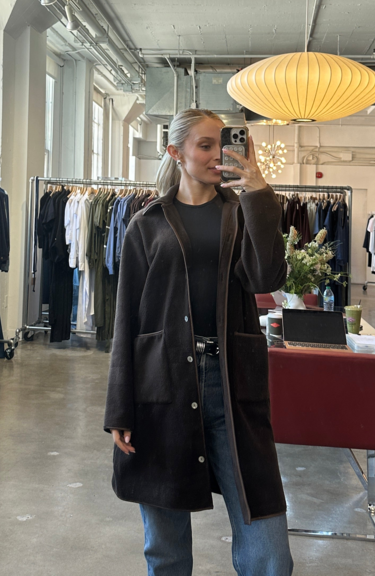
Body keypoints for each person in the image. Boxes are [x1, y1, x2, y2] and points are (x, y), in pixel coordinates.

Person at [104, 109, 293, 575]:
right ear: (176, 152)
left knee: (269, 547)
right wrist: (119, 408)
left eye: (221, 145)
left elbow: (267, 278)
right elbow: (126, 320)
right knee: (165, 545)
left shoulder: (241, 212)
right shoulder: (147, 224)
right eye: (204, 145)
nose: (216, 155)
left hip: (233, 382)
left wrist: (258, 193)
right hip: (163, 383)